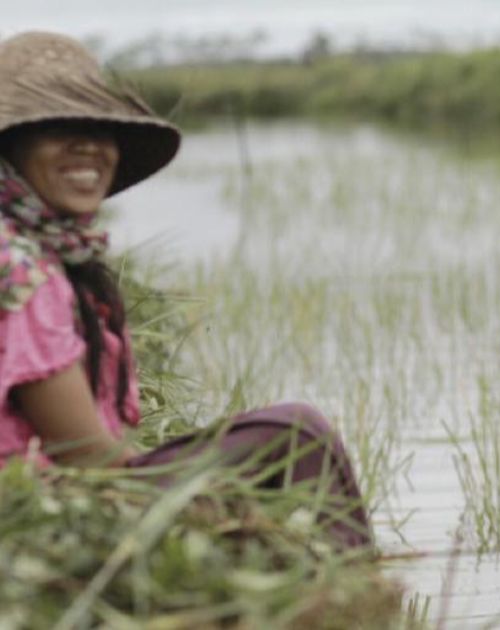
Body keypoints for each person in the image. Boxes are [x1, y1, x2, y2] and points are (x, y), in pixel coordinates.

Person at [0, 32, 372, 550]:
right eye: (58, 128)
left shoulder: (53, 258)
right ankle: (358, 597)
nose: (87, 145)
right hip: (52, 511)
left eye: (97, 128)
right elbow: (86, 458)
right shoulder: (16, 265)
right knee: (296, 434)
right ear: (10, 148)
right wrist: (206, 503)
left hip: (63, 495)